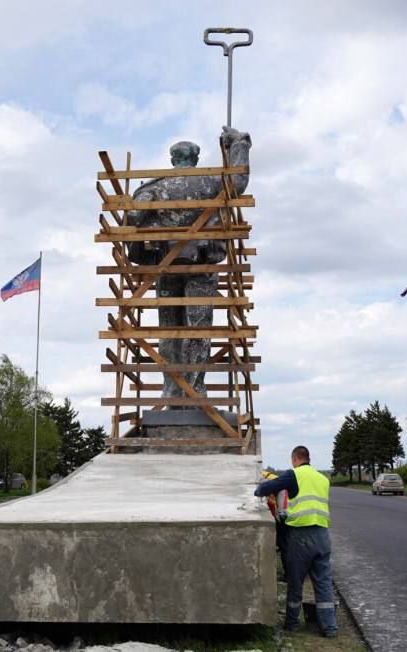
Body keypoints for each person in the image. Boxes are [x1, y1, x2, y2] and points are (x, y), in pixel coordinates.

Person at [125, 127, 251, 401]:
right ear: (196, 158)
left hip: (166, 266)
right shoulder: (209, 181)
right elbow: (238, 182)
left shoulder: (153, 187)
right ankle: (195, 390)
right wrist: (238, 144)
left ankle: (172, 391)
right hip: (201, 266)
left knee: (168, 330)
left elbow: (132, 218)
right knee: (197, 328)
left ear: (173, 160)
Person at [254, 446, 337, 637]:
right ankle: (330, 628)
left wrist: (257, 489)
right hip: (323, 535)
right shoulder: (323, 479)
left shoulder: (294, 475)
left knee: (295, 580)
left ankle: (291, 624)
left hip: (301, 536)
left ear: (294, 458)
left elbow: (267, 488)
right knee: (323, 583)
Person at [261, 468, 289, 575]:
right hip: (285, 514)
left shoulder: (266, 479)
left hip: (284, 516)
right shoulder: (271, 478)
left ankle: (289, 574)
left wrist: (280, 514)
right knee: (285, 545)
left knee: (284, 545)